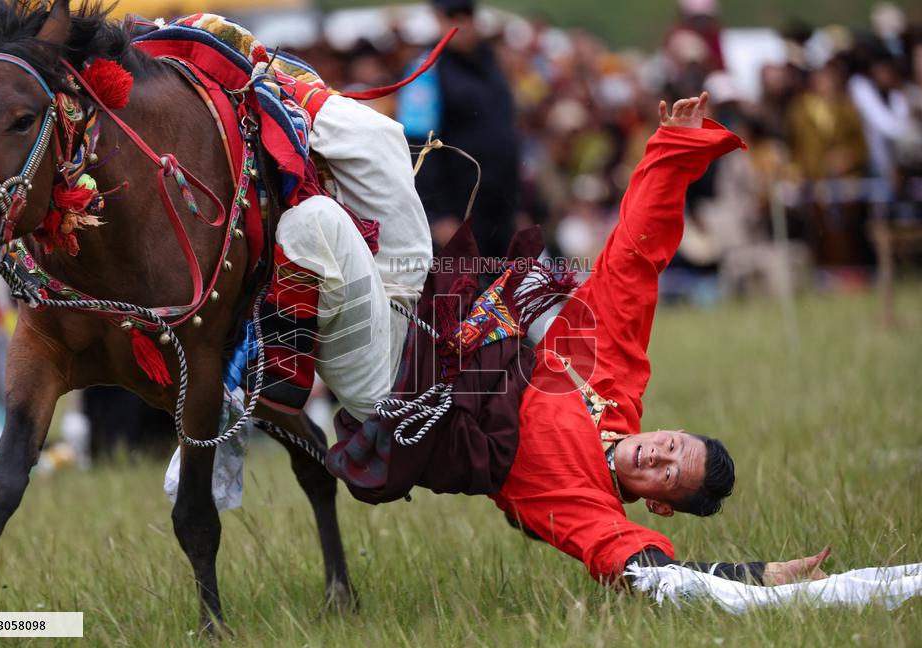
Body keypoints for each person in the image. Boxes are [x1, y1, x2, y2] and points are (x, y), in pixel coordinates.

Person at [326, 93, 830, 588]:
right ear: (670, 430)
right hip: (434, 325)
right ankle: (268, 92)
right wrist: (673, 152)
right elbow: (631, 266)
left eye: (669, 476)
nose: (658, 456)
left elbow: (644, 569)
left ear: (657, 505)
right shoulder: (617, 387)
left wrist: (757, 575)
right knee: (376, 138)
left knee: (324, 236)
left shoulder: (585, 505)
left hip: (407, 398)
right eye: (672, 445)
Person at [396, 0, 520, 256]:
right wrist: (434, 215)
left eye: (467, 15)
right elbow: (419, 146)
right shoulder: (428, 70)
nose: (461, 24)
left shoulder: (491, 65)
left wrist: (521, 207)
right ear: (437, 18)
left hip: (500, 212)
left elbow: (508, 137)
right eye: (453, 15)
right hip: (456, 213)